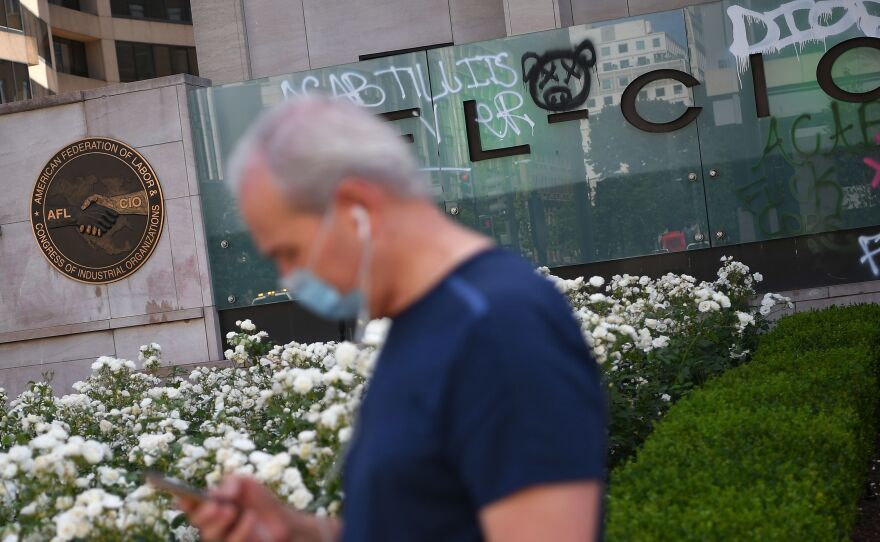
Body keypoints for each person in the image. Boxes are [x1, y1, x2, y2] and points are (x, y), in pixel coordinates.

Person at [179, 96, 607, 542]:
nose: (289, 277)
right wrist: (298, 533)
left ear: (355, 207)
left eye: (288, 252)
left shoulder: (500, 326)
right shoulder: (421, 321)